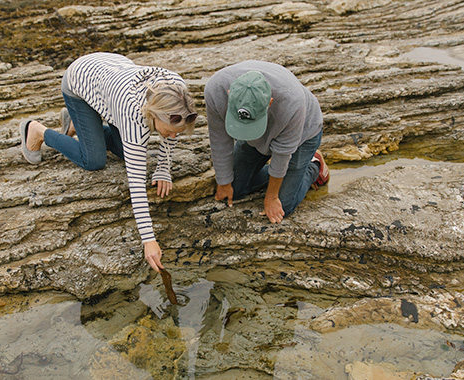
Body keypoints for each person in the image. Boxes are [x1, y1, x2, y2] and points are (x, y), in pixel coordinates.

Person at [19, 52, 197, 273]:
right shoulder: (133, 116)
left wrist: (163, 169)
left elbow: (174, 128)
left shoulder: (178, 93)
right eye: (168, 132)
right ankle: (37, 130)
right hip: (81, 79)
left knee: (128, 152)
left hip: (112, 78)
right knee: (93, 160)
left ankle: (80, 125)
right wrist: (148, 240)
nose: (172, 137)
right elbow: (136, 184)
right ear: (153, 115)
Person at [204, 60, 329, 224]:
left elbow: (282, 154)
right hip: (258, 137)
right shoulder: (215, 90)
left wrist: (272, 196)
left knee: (285, 205)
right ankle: (284, 176)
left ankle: (313, 166)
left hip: (303, 135)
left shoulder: (292, 102)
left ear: (270, 102)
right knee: (235, 188)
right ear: (229, 94)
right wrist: (224, 181)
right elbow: (219, 139)